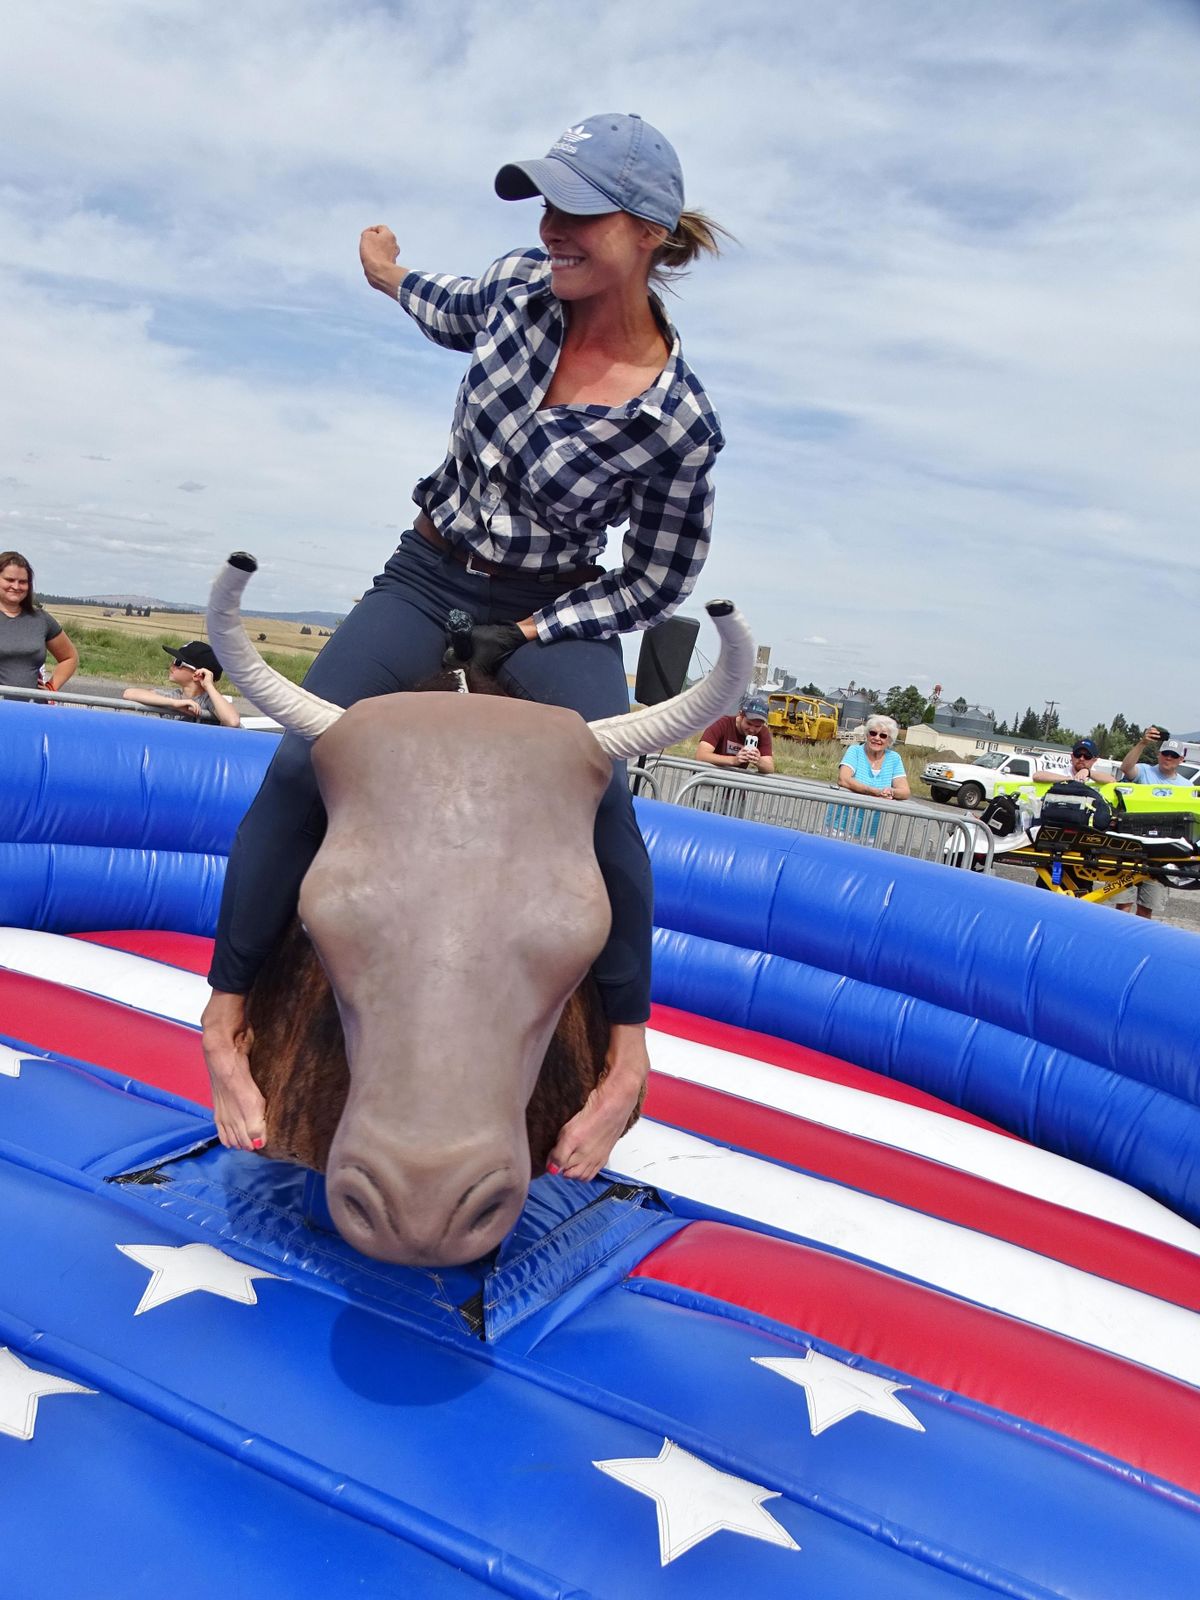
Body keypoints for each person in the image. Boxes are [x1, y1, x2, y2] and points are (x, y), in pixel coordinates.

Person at [202, 113, 727, 1182]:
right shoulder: (517, 288)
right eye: (548, 204)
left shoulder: (678, 420)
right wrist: (386, 275)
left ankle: (628, 1058)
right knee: (308, 754)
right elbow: (444, 307)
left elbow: (659, 578)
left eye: (578, 210)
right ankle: (225, 1020)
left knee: (603, 797)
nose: (553, 226)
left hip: (554, 601)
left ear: (645, 231)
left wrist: (539, 630)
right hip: (426, 571)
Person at [1113, 727, 1191, 918]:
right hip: (1132, 847)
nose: (1168, 758)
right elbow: (1126, 768)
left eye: (1174, 755)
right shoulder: (1144, 771)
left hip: (1162, 854)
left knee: (1146, 908)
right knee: (1123, 904)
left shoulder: (1187, 786)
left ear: (1181, 760)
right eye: (1165, 754)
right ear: (1158, 754)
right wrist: (1142, 743)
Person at [0, 551, 78, 693]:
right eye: (9, 580)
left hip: (33, 709)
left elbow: (69, 657)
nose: (16, 587)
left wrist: (51, 687)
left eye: (22, 582)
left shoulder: (41, 619)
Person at [122, 641, 241, 727]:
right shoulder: (176, 697)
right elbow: (129, 693)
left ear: (197, 674)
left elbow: (232, 721)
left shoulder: (208, 700)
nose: (172, 665)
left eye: (178, 662)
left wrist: (209, 686)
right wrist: (174, 704)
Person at [696, 695, 776, 774]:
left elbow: (770, 768)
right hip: (708, 777)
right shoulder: (721, 723)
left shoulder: (763, 732)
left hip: (733, 783)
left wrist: (758, 760)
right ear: (740, 715)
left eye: (757, 726)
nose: (752, 729)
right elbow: (701, 755)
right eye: (749, 723)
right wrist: (734, 760)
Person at [838, 715, 910, 800]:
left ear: (889, 740)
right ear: (867, 735)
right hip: (845, 811)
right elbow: (843, 779)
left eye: (883, 735)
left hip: (875, 812)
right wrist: (872, 791)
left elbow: (905, 791)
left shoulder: (894, 758)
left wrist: (890, 791)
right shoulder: (855, 751)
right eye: (873, 733)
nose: (876, 738)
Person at [1031, 738, 1102, 784]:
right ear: (1072, 756)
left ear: (1094, 760)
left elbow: (1111, 780)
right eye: (1078, 754)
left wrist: (1088, 772)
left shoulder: (1099, 778)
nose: (1081, 758)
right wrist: (1068, 779)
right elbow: (1037, 776)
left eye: (1087, 756)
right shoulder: (1062, 772)